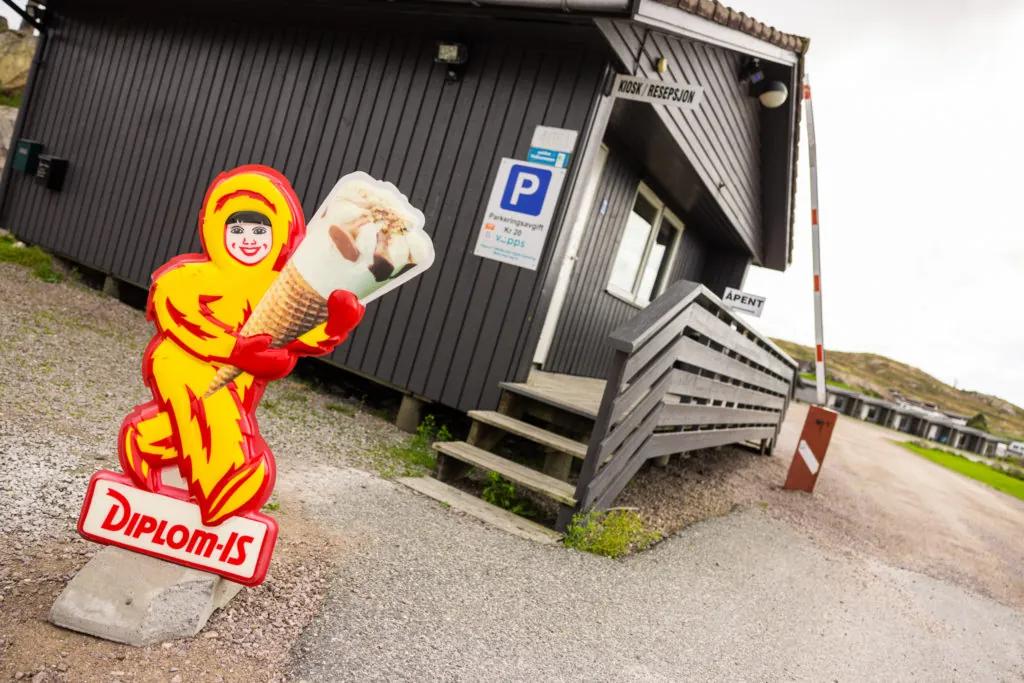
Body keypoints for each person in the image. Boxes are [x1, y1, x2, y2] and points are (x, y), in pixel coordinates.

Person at [119, 165, 363, 525]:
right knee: (208, 402)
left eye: (260, 230)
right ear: (217, 229)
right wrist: (234, 349)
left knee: (196, 424)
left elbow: (298, 332)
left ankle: (146, 441)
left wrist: (335, 325)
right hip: (183, 362)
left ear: (278, 233)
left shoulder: (279, 288)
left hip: (239, 380)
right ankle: (230, 478)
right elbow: (180, 319)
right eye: (237, 229)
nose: (249, 239)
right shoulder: (187, 277)